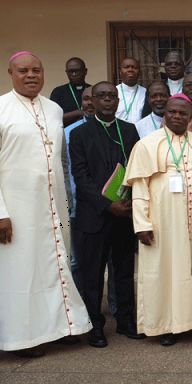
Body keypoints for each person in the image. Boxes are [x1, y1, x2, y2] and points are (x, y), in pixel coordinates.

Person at [0, 51, 91, 358]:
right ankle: (23, 338)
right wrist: (1, 213)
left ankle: (61, 327)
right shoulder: (0, 108)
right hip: (16, 208)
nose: (31, 75)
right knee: (22, 273)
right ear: (11, 73)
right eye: (23, 70)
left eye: (36, 70)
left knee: (55, 265)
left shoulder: (53, 109)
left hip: (52, 206)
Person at [124, 94, 192, 346]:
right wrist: (141, 224)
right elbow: (140, 189)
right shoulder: (146, 145)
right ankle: (165, 325)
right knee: (165, 272)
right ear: (164, 114)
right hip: (162, 222)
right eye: (172, 112)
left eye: (182, 113)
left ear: (190, 118)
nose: (177, 116)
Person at [69, 81, 143, 347]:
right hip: (94, 216)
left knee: (123, 271)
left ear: (118, 101)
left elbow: (137, 168)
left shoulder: (129, 130)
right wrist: (106, 204)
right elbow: (81, 177)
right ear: (92, 101)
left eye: (112, 96)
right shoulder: (80, 134)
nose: (108, 100)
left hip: (123, 214)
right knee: (92, 274)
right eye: (102, 96)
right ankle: (95, 326)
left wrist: (129, 201)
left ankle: (125, 321)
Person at [64, 86, 95, 291]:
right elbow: (64, 169)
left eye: (94, 98)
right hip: (76, 204)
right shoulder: (68, 132)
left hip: (106, 206)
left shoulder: (118, 130)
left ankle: (113, 307)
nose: (90, 103)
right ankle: (80, 311)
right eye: (86, 99)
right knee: (76, 261)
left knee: (109, 260)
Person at [50, 57, 90, 126]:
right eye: (71, 71)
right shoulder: (58, 92)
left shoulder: (92, 90)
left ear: (85, 71)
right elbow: (53, 117)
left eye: (77, 71)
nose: (74, 74)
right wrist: (77, 113)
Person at [116, 57, 146, 123]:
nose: (130, 70)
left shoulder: (146, 93)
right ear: (120, 72)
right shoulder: (114, 92)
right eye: (126, 67)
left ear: (139, 72)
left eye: (134, 67)